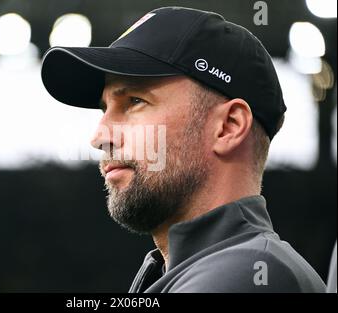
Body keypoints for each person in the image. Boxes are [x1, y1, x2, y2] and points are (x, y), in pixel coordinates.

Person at [41, 7, 326, 292]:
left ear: (229, 126)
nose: (100, 136)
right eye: (104, 109)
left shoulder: (250, 274)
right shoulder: (200, 268)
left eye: (135, 101)